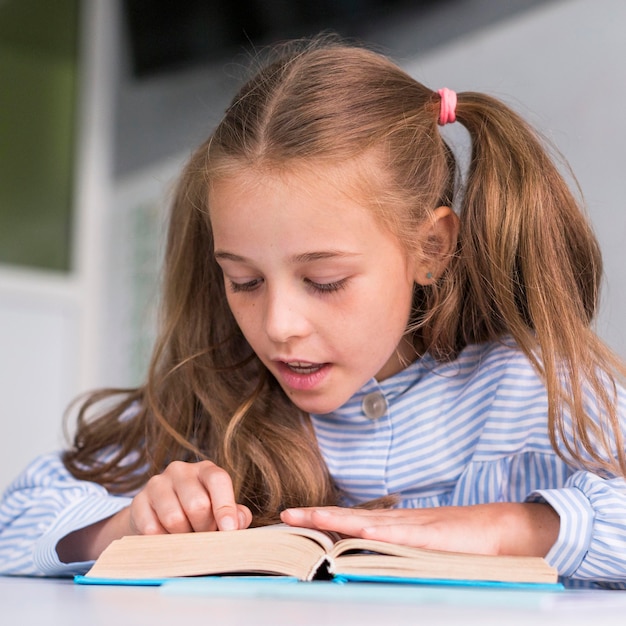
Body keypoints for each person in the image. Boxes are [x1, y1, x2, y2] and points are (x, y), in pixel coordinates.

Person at [1, 36, 626, 587]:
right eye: (243, 281)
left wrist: (516, 530)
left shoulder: (543, 393)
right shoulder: (211, 396)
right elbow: (14, 521)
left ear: (431, 249)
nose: (278, 327)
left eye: (324, 281)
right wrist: (123, 524)